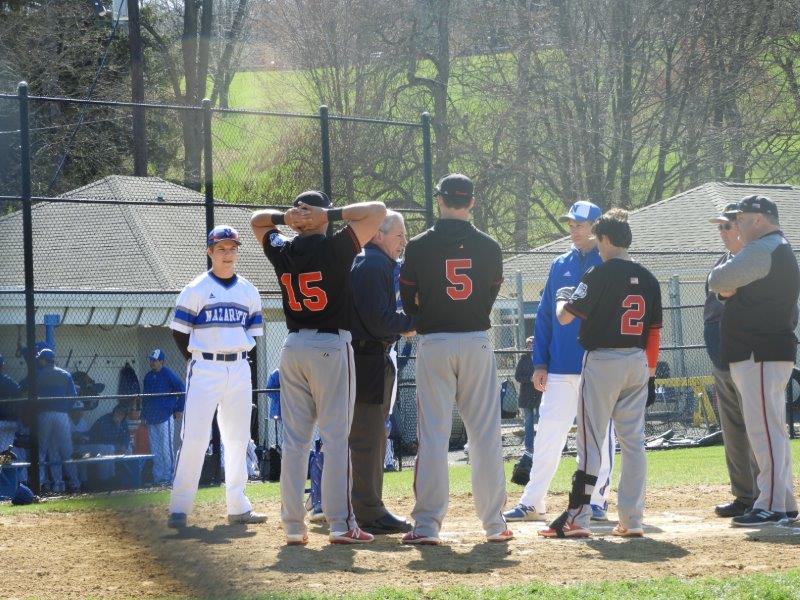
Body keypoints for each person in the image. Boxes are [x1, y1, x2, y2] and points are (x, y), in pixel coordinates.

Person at [250, 191, 386, 545]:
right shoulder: (334, 247)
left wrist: (286, 219)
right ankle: (340, 524)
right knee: (336, 440)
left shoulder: (283, 248)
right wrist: (328, 214)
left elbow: (256, 220)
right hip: (329, 346)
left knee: (295, 443)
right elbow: (377, 211)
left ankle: (294, 525)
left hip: (292, 345)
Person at [399, 173, 512, 545]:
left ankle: (428, 525)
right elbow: (490, 295)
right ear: (472, 202)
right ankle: (494, 524)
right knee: (485, 436)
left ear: (440, 200)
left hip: (435, 341)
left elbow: (409, 300)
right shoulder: (491, 246)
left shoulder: (417, 246)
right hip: (477, 340)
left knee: (432, 436)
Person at [538, 208, 662, 539]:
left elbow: (565, 318)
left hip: (603, 361)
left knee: (591, 441)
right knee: (633, 442)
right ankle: (632, 520)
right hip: (636, 361)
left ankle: (578, 518)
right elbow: (654, 333)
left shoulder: (598, 273)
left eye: (598, 239)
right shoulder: (648, 278)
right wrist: (649, 373)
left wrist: (562, 300)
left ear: (605, 239)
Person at [504, 201, 616, 524]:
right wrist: (540, 362)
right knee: (547, 434)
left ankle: (596, 501)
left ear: (596, 226)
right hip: (559, 367)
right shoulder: (560, 264)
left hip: (596, 364)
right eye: (571, 223)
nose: (574, 229)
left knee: (598, 435)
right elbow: (543, 318)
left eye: (580, 224)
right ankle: (533, 501)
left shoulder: (607, 262)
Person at [167, 225, 267, 528]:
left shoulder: (248, 291)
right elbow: (179, 332)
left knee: (237, 439)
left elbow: (253, 333)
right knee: (195, 438)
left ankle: (238, 507)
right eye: (221, 249)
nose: (227, 254)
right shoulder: (195, 288)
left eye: (232, 248)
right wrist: (199, 358)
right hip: (205, 368)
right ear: (210, 252)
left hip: (239, 367)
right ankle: (179, 509)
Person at [708, 195, 799, 526]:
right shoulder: (772, 247)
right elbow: (723, 286)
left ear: (758, 220)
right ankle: (783, 502)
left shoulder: (764, 247)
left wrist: (727, 287)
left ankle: (772, 504)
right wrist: (727, 288)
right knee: (769, 430)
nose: (738, 227)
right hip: (763, 352)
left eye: (742, 220)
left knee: (765, 432)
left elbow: (718, 280)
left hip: (760, 352)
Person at [349, 210, 416, 534]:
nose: (404, 241)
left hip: (367, 358)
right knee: (369, 437)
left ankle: (350, 505)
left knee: (367, 436)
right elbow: (378, 320)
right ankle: (369, 511)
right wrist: (413, 324)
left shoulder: (371, 260)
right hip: (368, 360)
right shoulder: (374, 263)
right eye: (399, 235)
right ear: (378, 234)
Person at [704, 204, 759, 518]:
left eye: (727, 226)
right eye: (720, 227)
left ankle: (767, 494)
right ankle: (743, 495)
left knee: (757, 428)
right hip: (721, 358)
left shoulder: (754, 261)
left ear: (742, 225)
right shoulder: (722, 262)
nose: (723, 232)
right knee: (733, 430)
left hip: (749, 357)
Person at [19, 348, 81, 493]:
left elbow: (22, 387)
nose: (38, 360)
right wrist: (63, 407)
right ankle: (73, 484)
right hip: (62, 415)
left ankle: (41, 484)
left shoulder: (38, 375)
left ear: (44, 360)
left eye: (40, 359)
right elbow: (73, 397)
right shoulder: (65, 374)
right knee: (65, 451)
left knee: (43, 450)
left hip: (44, 415)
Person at [141, 349, 185, 485]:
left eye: (155, 360)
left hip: (165, 417)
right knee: (155, 450)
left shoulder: (168, 374)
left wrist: (179, 408)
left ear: (162, 361)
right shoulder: (148, 376)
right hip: (151, 418)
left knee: (166, 449)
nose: (152, 362)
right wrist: (144, 415)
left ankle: (169, 477)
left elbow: (182, 390)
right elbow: (145, 398)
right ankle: (158, 477)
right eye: (151, 360)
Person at [514, 336, 541, 456]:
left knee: (542, 420)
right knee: (528, 422)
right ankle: (529, 447)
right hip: (526, 395)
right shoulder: (523, 359)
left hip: (540, 394)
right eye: (529, 344)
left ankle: (542, 444)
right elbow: (518, 376)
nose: (531, 346)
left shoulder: (542, 357)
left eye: (533, 344)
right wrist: (530, 379)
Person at [0, 354, 21, 449]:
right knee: (5, 449)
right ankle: (4, 463)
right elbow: (18, 391)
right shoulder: (8, 381)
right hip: (7, 420)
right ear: (2, 366)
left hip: (6, 420)